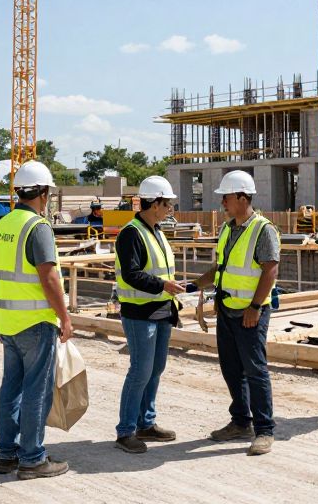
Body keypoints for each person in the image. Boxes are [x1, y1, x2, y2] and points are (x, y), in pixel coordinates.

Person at [0, 160, 72, 480]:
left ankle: (7, 453)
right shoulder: (37, 227)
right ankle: (32, 458)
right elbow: (49, 278)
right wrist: (64, 317)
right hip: (35, 322)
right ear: (42, 193)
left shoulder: (3, 225)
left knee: (11, 388)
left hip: (7, 321)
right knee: (36, 391)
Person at [194, 170, 280, 456]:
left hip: (250, 312)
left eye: (227, 198)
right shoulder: (227, 229)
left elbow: (270, 270)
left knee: (255, 370)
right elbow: (221, 268)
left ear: (243, 198)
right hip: (227, 310)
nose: (223, 203)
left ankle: (264, 429)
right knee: (231, 369)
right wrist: (196, 284)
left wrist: (254, 307)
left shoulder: (263, 230)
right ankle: (241, 421)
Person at [113, 176, 185, 454]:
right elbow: (131, 274)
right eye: (167, 204)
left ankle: (146, 423)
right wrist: (162, 285)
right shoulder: (131, 233)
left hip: (162, 310)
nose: (170, 209)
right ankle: (126, 431)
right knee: (140, 371)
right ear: (155, 204)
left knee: (155, 369)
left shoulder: (156, 231)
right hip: (140, 313)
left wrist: (169, 288)